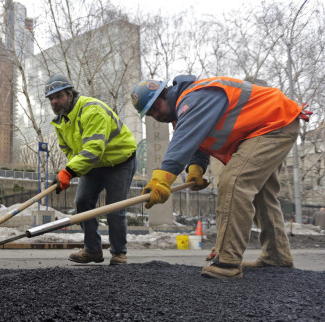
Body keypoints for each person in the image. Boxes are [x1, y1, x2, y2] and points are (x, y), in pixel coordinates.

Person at [131, 76, 312, 279]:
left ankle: (227, 261)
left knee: (234, 183)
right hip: (273, 124)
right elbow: (197, 142)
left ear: (165, 94)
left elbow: (183, 141)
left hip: (273, 124)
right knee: (262, 195)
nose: (156, 115)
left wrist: (161, 179)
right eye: (151, 114)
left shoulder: (193, 98)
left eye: (156, 107)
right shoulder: (185, 110)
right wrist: (196, 169)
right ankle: (277, 256)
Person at [45, 73, 137, 265]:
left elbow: (94, 148)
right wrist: (73, 168)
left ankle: (119, 253)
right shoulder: (61, 121)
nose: (54, 102)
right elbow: (68, 149)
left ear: (70, 95)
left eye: (58, 96)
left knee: (114, 208)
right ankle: (93, 250)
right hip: (93, 163)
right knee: (82, 202)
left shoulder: (91, 110)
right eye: (51, 98)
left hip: (119, 161)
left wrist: (69, 171)